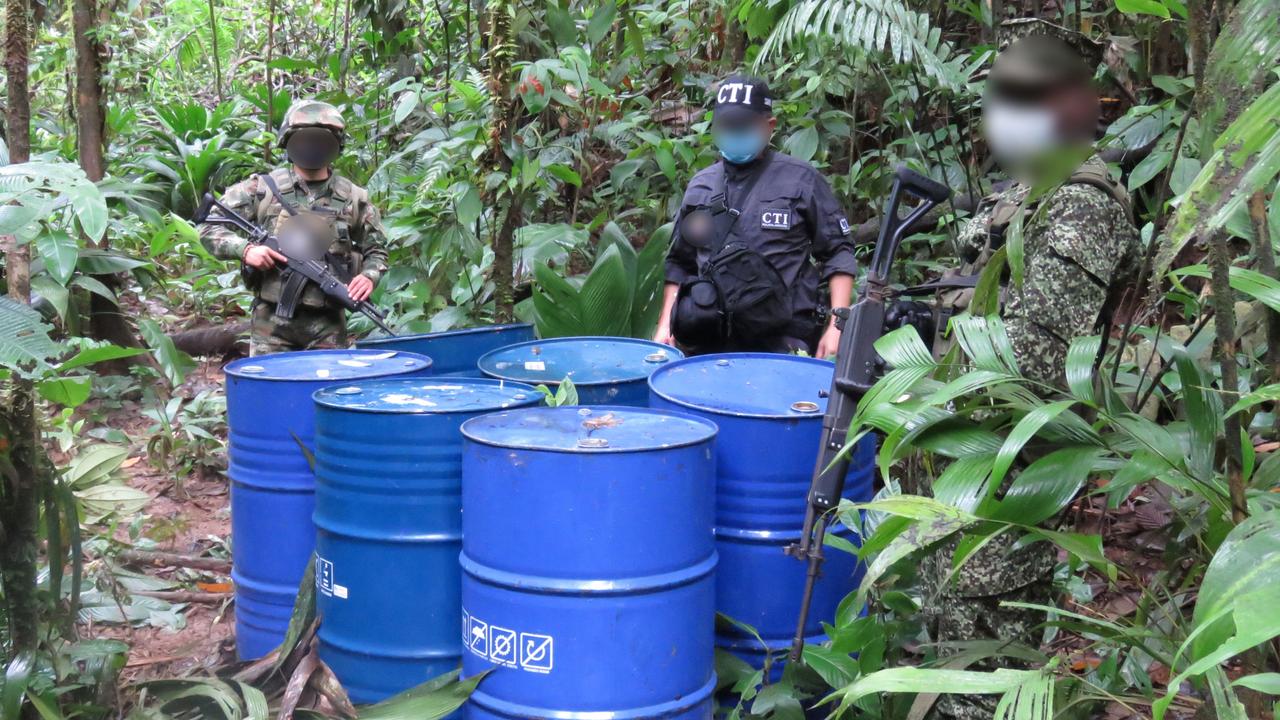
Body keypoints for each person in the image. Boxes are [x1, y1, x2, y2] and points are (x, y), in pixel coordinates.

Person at [922, 21, 1140, 720]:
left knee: (989, 668)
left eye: (1027, 96)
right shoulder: (1025, 189)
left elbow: (1041, 357)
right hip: (967, 453)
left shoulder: (1079, 202)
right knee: (949, 643)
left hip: (1013, 466)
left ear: (1076, 104)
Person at [653, 74, 857, 357]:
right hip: (709, 338)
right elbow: (680, 264)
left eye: (743, 124)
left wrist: (837, 325)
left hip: (783, 338)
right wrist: (666, 325)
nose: (735, 131)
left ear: (768, 126)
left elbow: (838, 251)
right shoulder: (701, 186)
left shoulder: (801, 181)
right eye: (727, 125)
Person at [199, 100, 388, 356]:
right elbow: (209, 228)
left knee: (327, 392)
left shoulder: (354, 198)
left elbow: (377, 250)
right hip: (271, 323)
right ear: (288, 141)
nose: (312, 147)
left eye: (321, 140)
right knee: (271, 392)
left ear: (336, 145)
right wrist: (245, 250)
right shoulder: (261, 190)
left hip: (328, 323)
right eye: (304, 139)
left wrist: (369, 276)